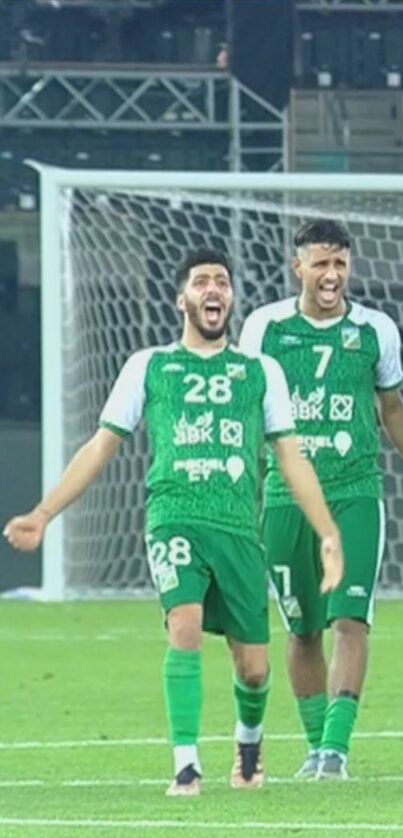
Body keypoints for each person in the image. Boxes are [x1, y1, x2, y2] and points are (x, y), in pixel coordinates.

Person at [4, 247, 343, 796]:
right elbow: (100, 446)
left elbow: (291, 457)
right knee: (183, 625)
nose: (214, 290)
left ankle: (248, 743)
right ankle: (186, 764)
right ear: (181, 299)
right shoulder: (149, 366)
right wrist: (44, 513)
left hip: (238, 529)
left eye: (222, 282)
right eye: (202, 281)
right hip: (174, 518)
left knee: (254, 669)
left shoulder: (261, 372)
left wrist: (327, 533)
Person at [238, 219, 403, 780]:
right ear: (298, 268)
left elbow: (393, 408)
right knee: (302, 627)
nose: (331, 275)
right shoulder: (264, 329)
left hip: (355, 492)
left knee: (350, 620)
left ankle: (335, 750)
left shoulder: (375, 330)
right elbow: (245, 407)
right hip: (285, 496)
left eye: (340, 264)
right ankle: (315, 747)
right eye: (321, 264)